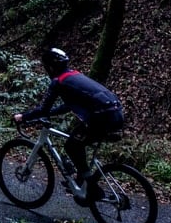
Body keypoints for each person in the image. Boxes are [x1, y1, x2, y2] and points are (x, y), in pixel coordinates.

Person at [13, 47, 125, 203]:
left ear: (50, 67)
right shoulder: (74, 75)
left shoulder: (58, 82)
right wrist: (49, 113)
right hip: (116, 114)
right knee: (78, 141)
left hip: (102, 117)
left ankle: (92, 188)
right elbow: (67, 106)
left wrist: (23, 117)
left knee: (71, 146)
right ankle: (82, 182)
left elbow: (43, 109)